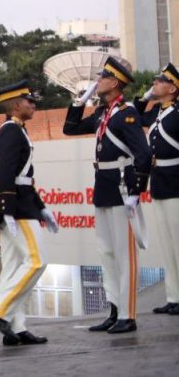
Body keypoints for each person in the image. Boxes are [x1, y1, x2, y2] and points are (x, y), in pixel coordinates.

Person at [63, 56, 152, 334]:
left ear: (114, 83)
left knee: (125, 255)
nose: (97, 81)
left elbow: (143, 153)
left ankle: (128, 315)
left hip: (122, 187)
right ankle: (114, 310)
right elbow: (70, 128)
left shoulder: (127, 113)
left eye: (102, 78)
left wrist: (136, 191)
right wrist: (80, 100)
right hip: (103, 187)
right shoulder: (103, 114)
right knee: (107, 252)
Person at [0, 80, 55, 346]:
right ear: (15, 105)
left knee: (12, 268)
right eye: (29, 101)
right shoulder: (11, 131)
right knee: (36, 261)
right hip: (18, 207)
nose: (33, 105)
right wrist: (8, 210)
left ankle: (16, 326)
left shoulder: (18, 129)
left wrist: (42, 207)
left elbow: (24, 175)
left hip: (22, 202)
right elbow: (6, 172)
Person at [134, 62, 179, 316]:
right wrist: (147, 96)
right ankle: (174, 297)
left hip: (176, 182)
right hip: (160, 182)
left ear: (172, 88)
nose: (155, 83)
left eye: (160, 81)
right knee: (167, 244)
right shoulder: (156, 112)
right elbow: (136, 115)